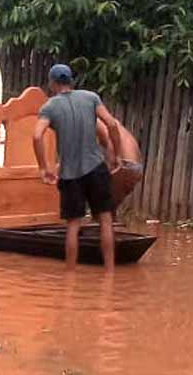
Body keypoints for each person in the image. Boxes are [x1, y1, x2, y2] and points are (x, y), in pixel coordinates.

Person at [32, 64, 126, 271]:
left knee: (73, 226)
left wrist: (44, 168)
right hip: (96, 168)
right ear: (71, 81)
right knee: (105, 220)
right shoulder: (91, 98)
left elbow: (37, 135)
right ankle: (109, 273)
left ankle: (70, 277)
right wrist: (117, 155)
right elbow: (111, 124)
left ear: (52, 84)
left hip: (69, 174)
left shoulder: (49, 107)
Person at [96, 117, 144, 211]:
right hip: (135, 167)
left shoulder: (93, 119)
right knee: (109, 208)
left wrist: (112, 166)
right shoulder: (110, 122)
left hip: (125, 166)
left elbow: (110, 140)